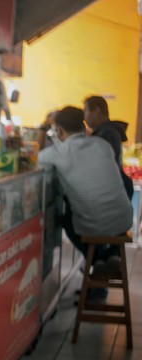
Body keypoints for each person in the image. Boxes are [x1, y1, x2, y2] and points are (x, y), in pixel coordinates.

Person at [38, 106, 132, 294]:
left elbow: (35, 160)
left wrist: (44, 132)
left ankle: (97, 257)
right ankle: (110, 256)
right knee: (92, 210)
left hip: (95, 226)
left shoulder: (58, 153)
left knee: (64, 217)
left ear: (59, 130)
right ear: (82, 126)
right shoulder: (101, 144)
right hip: (124, 220)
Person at [83, 95, 133, 198]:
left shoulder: (107, 134)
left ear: (96, 110)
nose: (84, 118)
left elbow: (99, 165)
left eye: (85, 111)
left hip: (110, 192)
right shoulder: (108, 131)